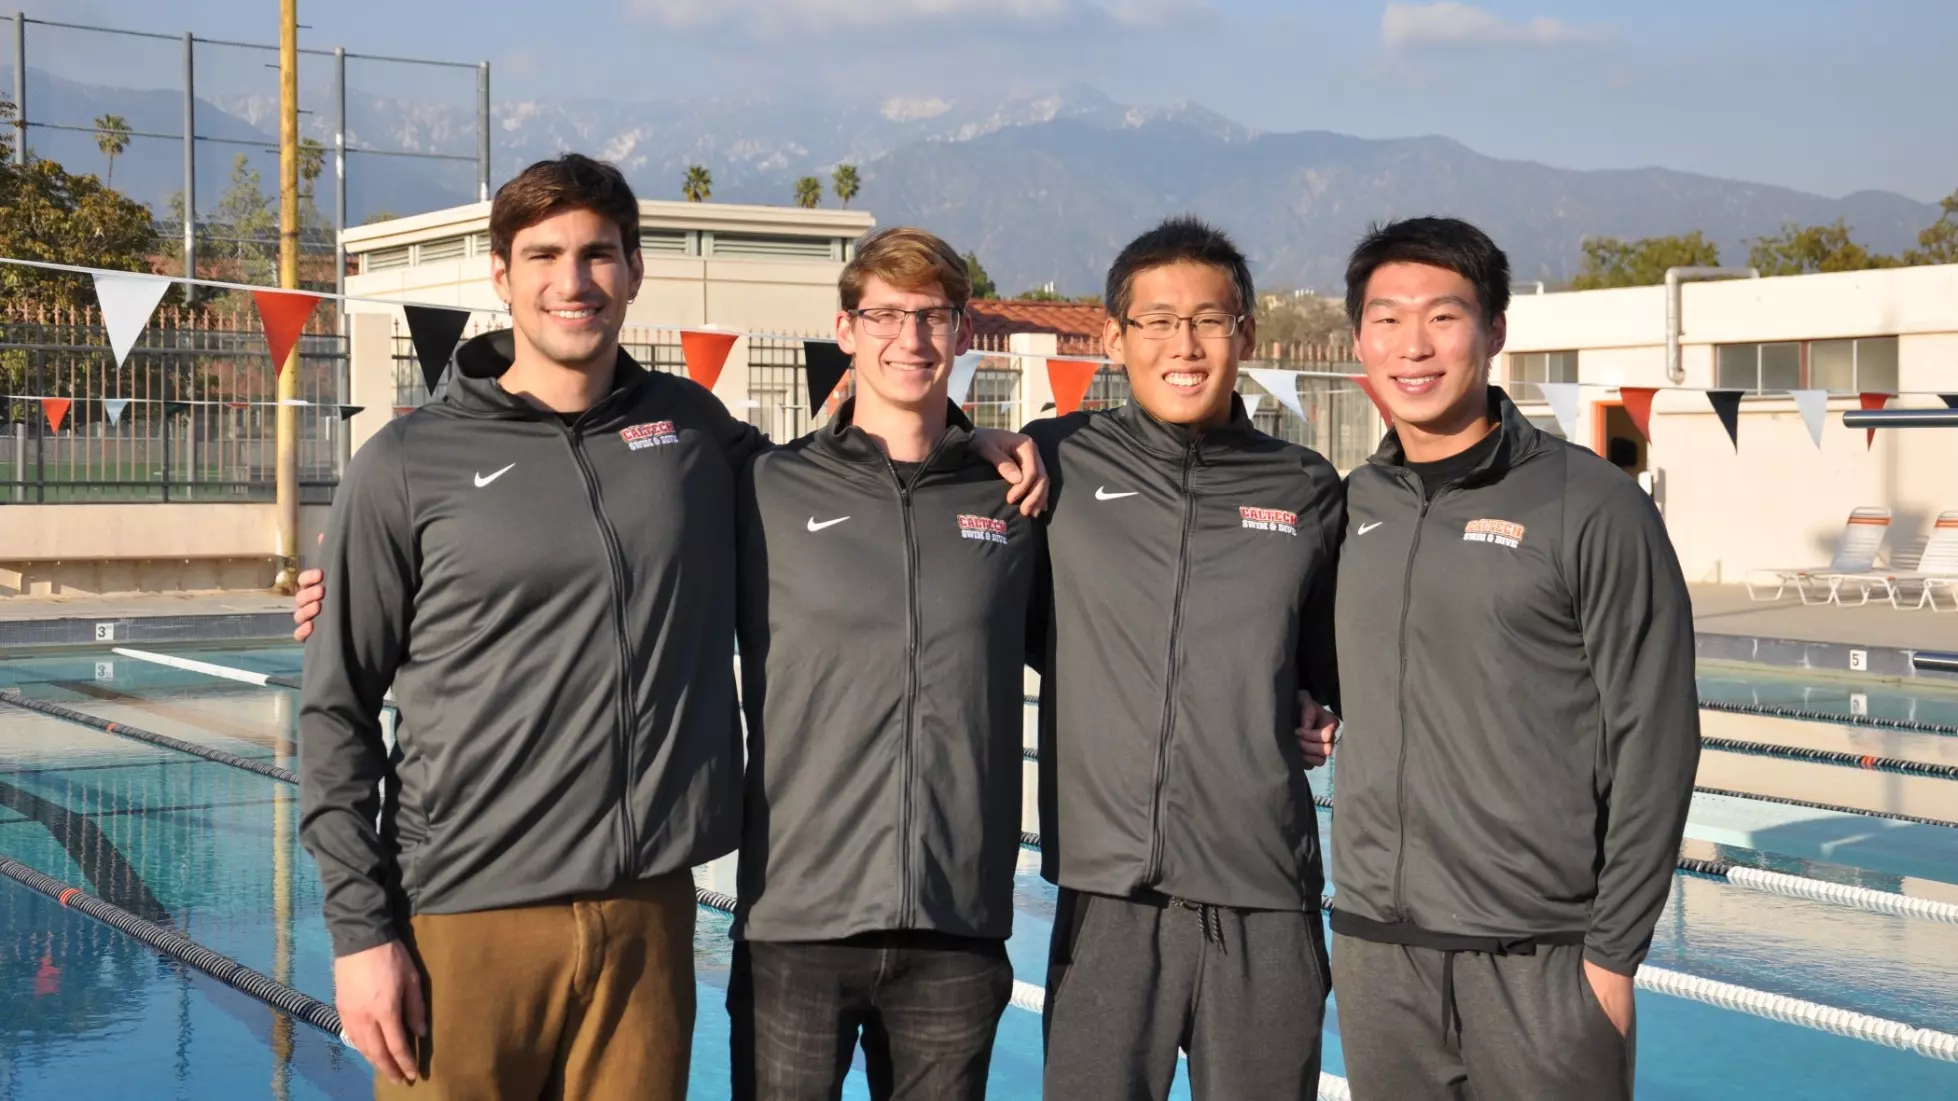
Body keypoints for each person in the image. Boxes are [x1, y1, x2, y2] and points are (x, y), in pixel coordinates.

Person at [295, 156, 1045, 1100]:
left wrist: (974, 442)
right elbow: (335, 713)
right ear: (501, 275)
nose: (573, 281)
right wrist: (361, 931)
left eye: (598, 254)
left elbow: (856, 480)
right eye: (544, 255)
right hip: (466, 908)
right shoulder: (408, 461)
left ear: (634, 270)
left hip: (647, 915)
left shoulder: (690, 431)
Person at [1326, 216, 1700, 1101]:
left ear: (1494, 330)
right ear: (1359, 340)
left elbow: (1657, 736)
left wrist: (1613, 955)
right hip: (1381, 955)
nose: (1414, 345)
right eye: (1387, 318)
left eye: (1443, 316)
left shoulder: (1592, 504)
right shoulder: (1353, 504)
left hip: (1543, 960)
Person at [1024, 216, 1344, 1100]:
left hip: (1264, 891)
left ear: (1247, 334)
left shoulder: (1306, 487)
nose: (1185, 345)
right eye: (1158, 321)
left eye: (1209, 320)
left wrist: (1317, 701)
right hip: (1108, 893)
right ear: (1114, 338)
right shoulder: (1057, 461)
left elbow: (1327, 659)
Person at [727, 227, 1035, 1099]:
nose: (911, 338)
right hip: (797, 923)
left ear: (963, 331)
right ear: (846, 330)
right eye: (886, 315)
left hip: (955, 924)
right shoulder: (767, 488)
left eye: (932, 315)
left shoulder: (1014, 499)